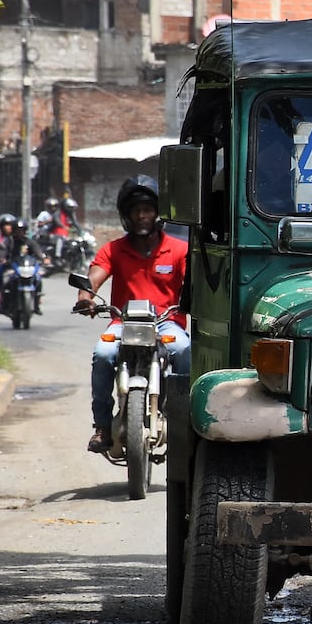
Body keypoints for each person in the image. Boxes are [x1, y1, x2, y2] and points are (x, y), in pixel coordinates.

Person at [75, 175, 190, 454]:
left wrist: (194, 301)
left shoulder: (178, 250)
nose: (142, 216)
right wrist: (85, 297)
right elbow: (94, 278)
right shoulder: (114, 249)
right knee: (102, 354)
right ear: (126, 215)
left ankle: (183, 420)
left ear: (157, 213)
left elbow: (192, 284)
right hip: (122, 323)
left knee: (184, 348)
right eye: (135, 210)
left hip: (166, 323)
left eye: (148, 209)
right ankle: (102, 426)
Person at [0, 218, 50, 315]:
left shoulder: (30, 242)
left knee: (38, 278)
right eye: (17, 230)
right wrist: (2, 259)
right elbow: (3, 251)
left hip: (27, 268)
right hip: (12, 268)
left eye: (21, 230)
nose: (19, 233)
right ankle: (5, 301)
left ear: (25, 231)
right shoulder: (9, 241)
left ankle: (37, 302)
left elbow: (38, 252)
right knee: (6, 281)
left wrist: (43, 259)